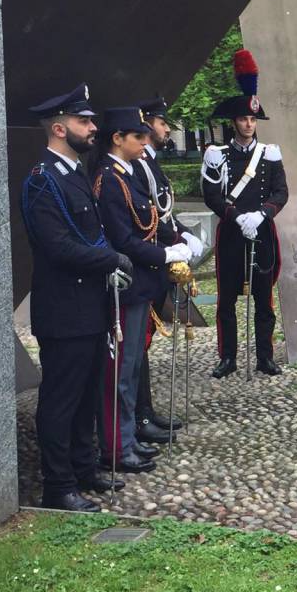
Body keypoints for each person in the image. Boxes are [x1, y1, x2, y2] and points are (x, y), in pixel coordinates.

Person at [19, 83, 129, 511]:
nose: (93, 127)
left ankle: (84, 467)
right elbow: (58, 246)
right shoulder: (43, 181)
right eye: (85, 121)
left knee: (86, 394)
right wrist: (112, 259)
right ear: (60, 127)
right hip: (64, 311)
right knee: (61, 400)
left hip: (90, 308)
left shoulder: (74, 174)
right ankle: (58, 486)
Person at [93, 106, 191, 473]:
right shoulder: (108, 178)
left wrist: (175, 241)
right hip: (127, 285)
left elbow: (149, 219)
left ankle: (128, 437)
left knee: (131, 367)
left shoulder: (129, 173)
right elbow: (122, 239)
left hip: (140, 283)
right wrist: (165, 253)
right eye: (138, 136)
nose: (145, 140)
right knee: (121, 370)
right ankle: (118, 446)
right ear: (117, 139)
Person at [201, 49, 288, 378]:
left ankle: (265, 356)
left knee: (264, 298)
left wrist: (263, 215)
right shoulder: (217, 155)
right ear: (234, 122)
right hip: (232, 233)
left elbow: (282, 191)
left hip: (262, 232)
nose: (248, 125)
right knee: (226, 300)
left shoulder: (270, 154)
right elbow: (212, 194)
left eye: (252, 120)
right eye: (243, 119)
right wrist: (237, 216)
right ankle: (228, 358)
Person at [131, 97, 204, 444]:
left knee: (142, 344)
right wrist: (170, 246)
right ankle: (138, 415)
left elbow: (163, 209)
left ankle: (145, 411)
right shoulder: (135, 163)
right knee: (138, 344)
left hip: (158, 253)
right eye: (162, 122)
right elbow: (145, 216)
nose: (167, 129)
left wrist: (183, 234)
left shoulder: (148, 160)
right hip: (148, 258)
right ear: (147, 124)